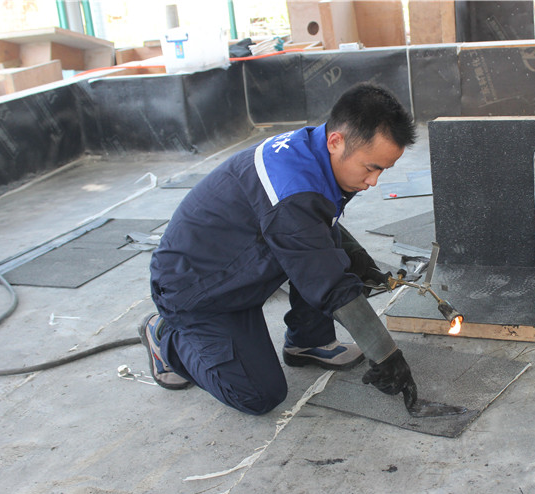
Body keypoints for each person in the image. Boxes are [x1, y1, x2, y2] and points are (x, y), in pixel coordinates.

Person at [139, 82, 418, 415]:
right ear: (336, 141)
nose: (374, 182)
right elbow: (326, 278)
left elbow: (313, 225)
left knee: (330, 255)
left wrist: (358, 258)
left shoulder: (313, 149)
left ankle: (308, 340)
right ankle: (164, 337)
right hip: (196, 291)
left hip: (235, 264)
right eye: (371, 168)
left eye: (383, 170)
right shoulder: (292, 190)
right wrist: (385, 355)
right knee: (259, 395)